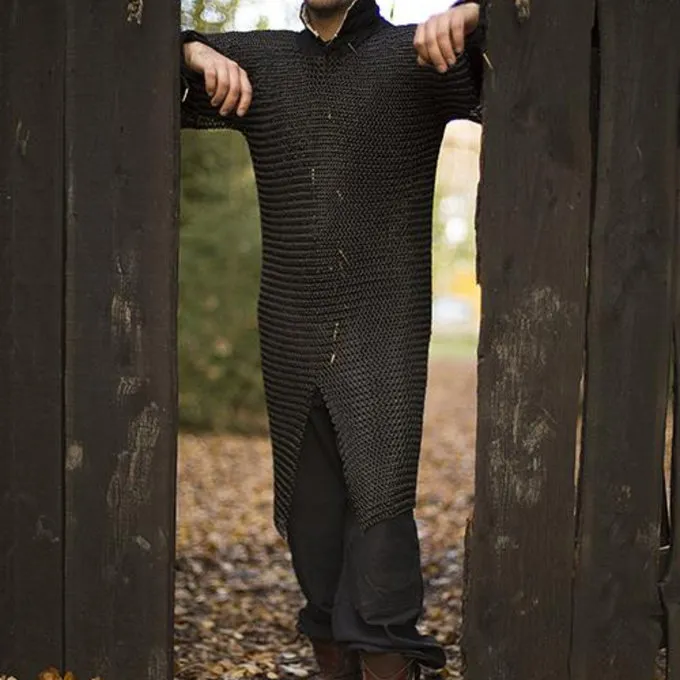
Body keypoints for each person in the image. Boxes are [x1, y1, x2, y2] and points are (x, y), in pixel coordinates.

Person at [180, 1, 486, 678]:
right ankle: (333, 651)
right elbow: (130, 59)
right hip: (291, 320)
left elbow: (535, 54)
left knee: (380, 503)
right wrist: (189, 51)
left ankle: (384, 656)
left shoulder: (415, 56)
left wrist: (473, 13)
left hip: (384, 318)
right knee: (312, 521)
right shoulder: (263, 63)